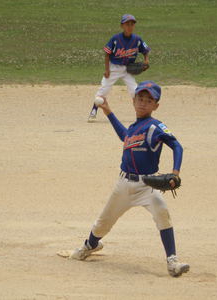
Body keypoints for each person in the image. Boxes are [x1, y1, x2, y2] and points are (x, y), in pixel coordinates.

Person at [71, 81, 190, 277]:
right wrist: (108, 111)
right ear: (133, 101)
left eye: (148, 100)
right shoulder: (135, 127)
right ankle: (90, 246)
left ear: (156, 105)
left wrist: (175, 172)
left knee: (162, 213)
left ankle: (172, 261)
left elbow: (177, 146)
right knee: (104, 221)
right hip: (124, 184)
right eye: (140, 99)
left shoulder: (155, 126)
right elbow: (125, 136)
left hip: (148, 185)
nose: (143, 103)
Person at [88, 14, 150, 122]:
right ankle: (94, 110)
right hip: (114, 68)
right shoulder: (115, 39)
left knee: (135, 91)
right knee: (104, 89)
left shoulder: (137, 39)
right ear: (122, 26)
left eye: (132, 24)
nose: (130, 26)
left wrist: (146, 61)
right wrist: (107, 70)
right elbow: (107, 54)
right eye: (127, 24)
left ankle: (139, 115)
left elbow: (145, 51)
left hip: (128, 69)